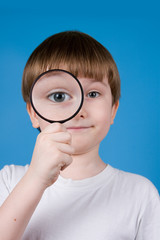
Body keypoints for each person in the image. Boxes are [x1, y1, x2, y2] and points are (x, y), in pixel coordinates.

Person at [0, 31, 159, 240]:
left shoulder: (140, 193)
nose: (80, 109)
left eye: (93, 94)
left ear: (113, 110)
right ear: (34, 113)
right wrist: (36, 179)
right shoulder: (10, 181)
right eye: (58, 96)